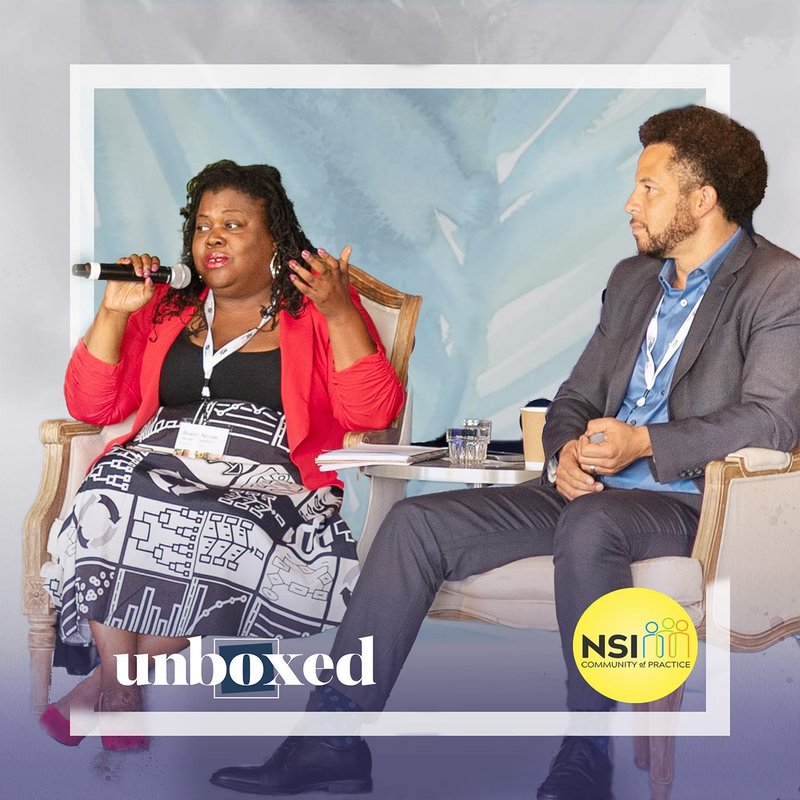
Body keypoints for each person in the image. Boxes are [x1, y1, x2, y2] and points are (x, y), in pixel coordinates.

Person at [209, 106, 800, 799]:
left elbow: (772, 422)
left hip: (693, 504)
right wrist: (567, 455)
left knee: (592, 524)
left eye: (649, 188)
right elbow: (574, 397)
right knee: (414, 524)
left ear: (702, 200)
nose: (630, 203)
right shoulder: (634, 280)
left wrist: (646, 442)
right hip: (586, 493)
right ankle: (331, 739)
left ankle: (587, 756)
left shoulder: (778, 284)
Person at [39, 159, 405, 751]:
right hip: (156, 462)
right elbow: (94, 402)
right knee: (109, 491)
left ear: (274, 243)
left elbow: (373, 413)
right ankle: (121, 694)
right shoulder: (166, 307)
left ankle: (108, 688)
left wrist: (340, 310)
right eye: (203, 223)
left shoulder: (315, 310)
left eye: (233, 224)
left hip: (267, 480)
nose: (212, 236)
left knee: (221, 530)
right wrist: (112, 312)